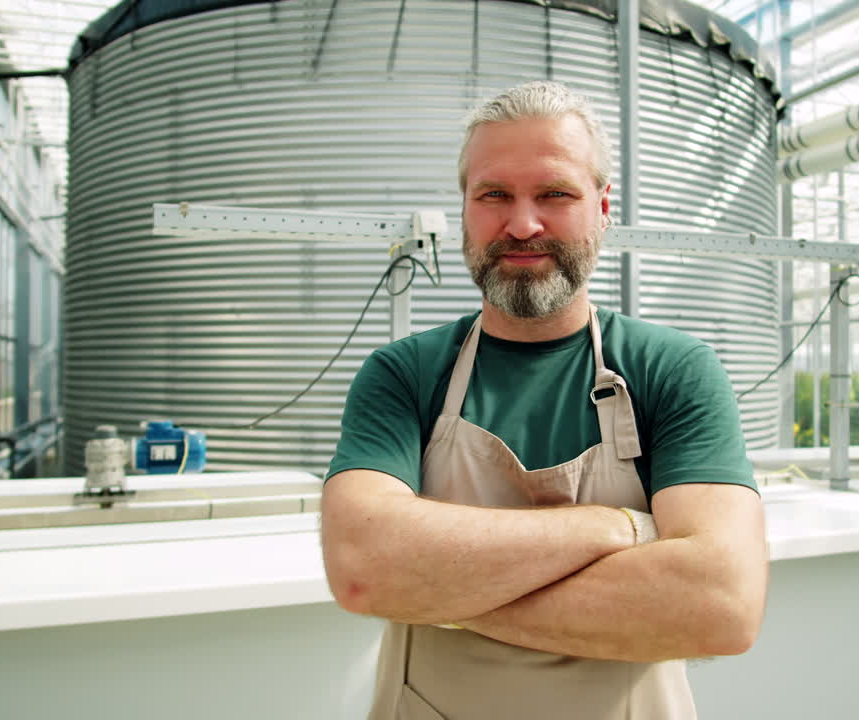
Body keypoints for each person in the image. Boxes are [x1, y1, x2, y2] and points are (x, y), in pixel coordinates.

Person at [320, 80, 767, 720]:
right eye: (494, 195)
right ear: (465, 209)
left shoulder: (671, 370)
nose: (523, 225)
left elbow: (719, 607)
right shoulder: (405, 374)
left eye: (555, 194)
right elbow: (366, 569)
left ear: (602, 208)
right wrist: (619, 529)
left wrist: (439, 588)